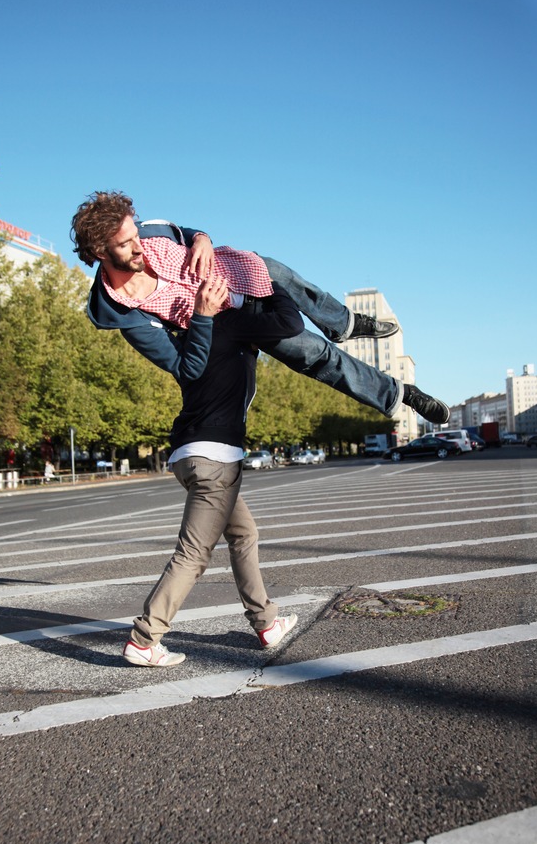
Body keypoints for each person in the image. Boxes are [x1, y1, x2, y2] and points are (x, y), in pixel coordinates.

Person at [71, 192, 449, 425]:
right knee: (314, 353)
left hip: (233, 271)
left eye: (136, 234)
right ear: (101, 253)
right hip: (229, 323)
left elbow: (186, 232)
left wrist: (202, 238)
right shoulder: (123, 314)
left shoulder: (147, 232)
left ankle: (345, 323)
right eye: (126, 244)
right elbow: (186, 368)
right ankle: (401, 395)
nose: (139, 245)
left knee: (275, 270)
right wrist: (202, 313)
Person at [122, 275, 303, 668]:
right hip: (215, 458)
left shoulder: (194, 335)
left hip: (189, 456)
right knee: (193, 554)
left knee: (243, 532)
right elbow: (291, 323)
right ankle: (145, 638)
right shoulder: (229, 323)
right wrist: (272, 284)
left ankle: (266, 621)